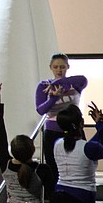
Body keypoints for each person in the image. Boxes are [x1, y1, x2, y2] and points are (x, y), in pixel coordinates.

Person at [35, 53, 88, 182]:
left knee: (80, 163)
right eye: (56, 67)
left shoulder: (74, 84)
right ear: (50, 67)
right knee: (53, 167)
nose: (59, 70)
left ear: (67, 67)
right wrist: (53, 98)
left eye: (62, 67)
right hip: (53, 131)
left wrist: (58, 83)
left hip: (74, 129)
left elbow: (83, 79)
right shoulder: (44, 86)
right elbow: (41, 110)